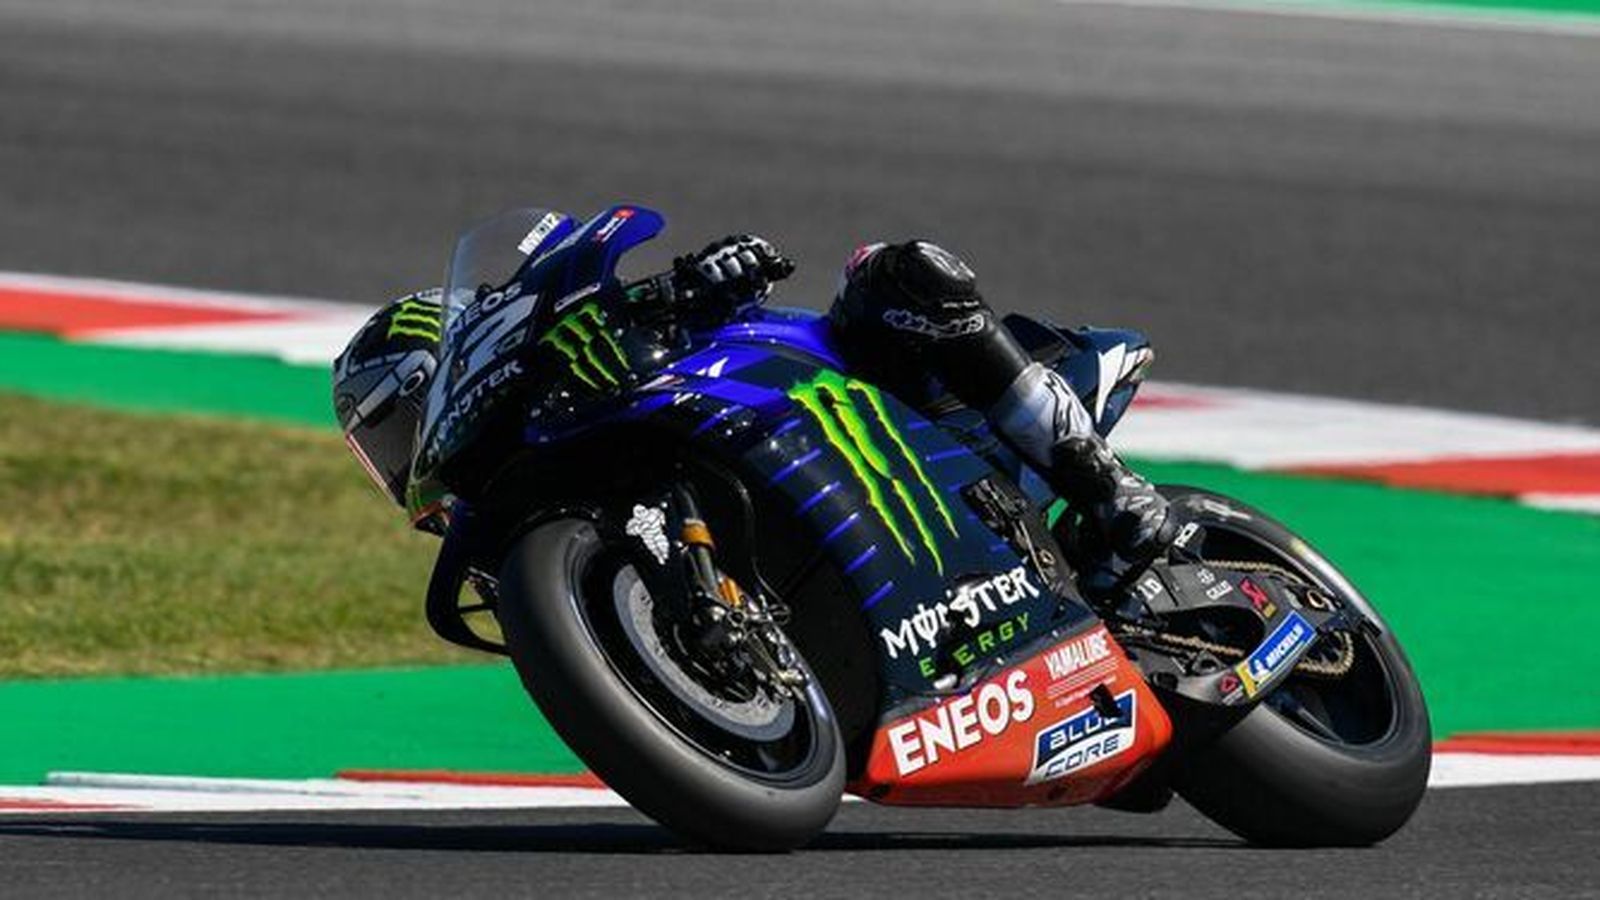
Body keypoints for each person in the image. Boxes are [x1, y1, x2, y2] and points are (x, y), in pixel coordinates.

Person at [334, 232, 1173, 561]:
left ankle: (1106, 485)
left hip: (867, 404)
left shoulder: (578, 358)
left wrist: (698, 278)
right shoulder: (522, 538)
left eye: (399, 428)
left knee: (897, 268)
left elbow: (682, 315)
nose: (404, 461)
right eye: (384, 457)